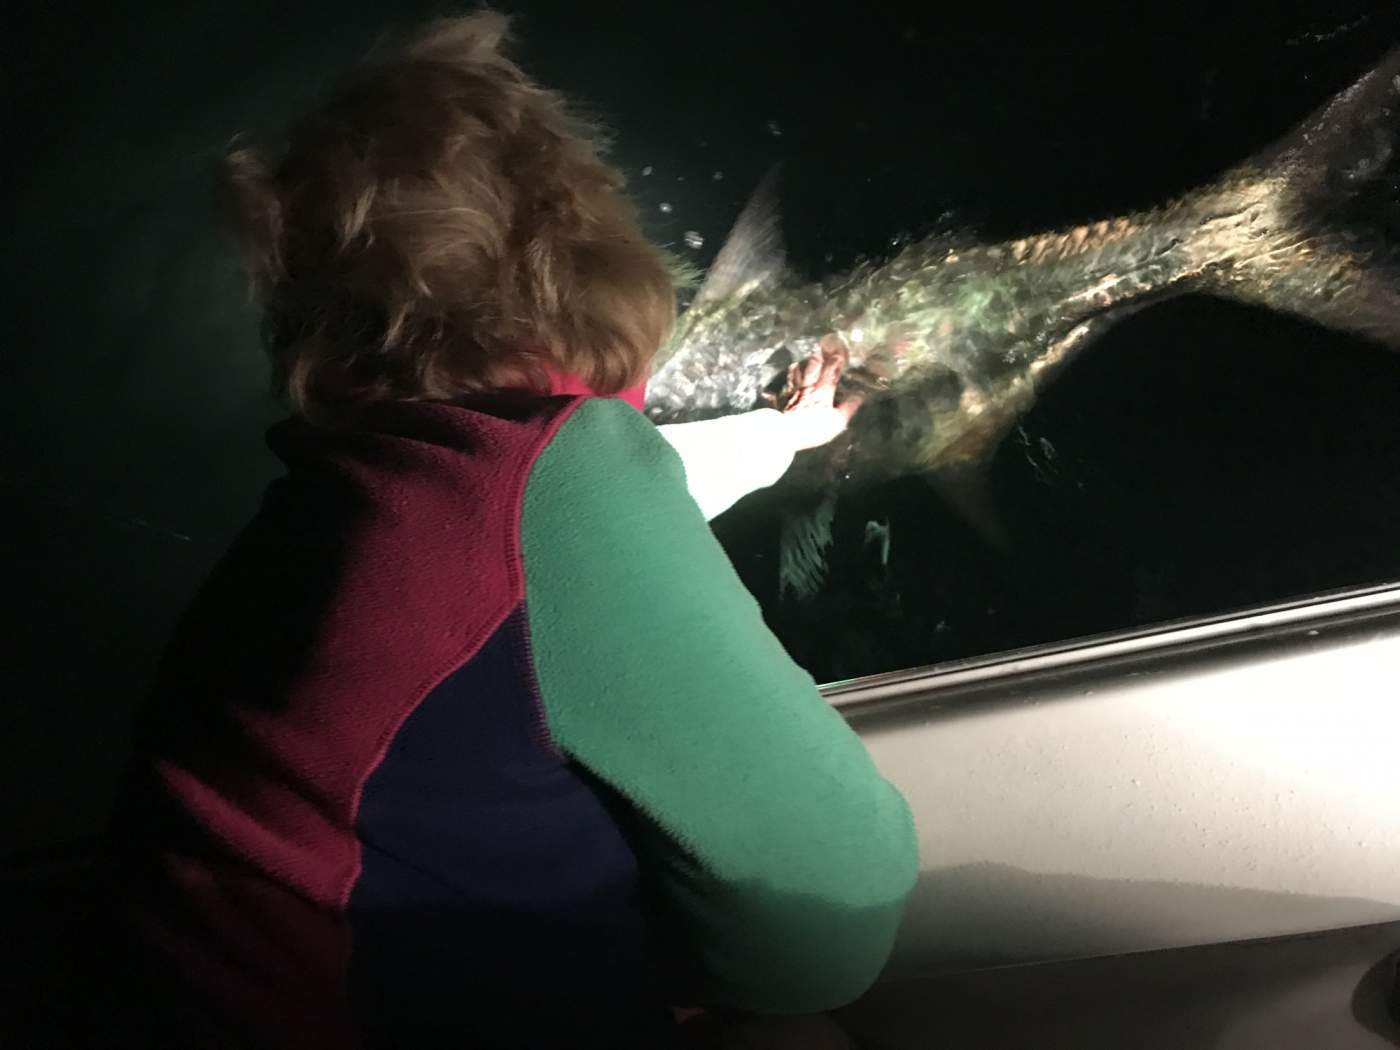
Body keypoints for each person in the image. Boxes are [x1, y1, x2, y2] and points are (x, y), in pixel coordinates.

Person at [105, 12, 917, 1049]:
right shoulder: (557, 485)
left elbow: (518, 559)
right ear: (585, 236)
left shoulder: (342, 502)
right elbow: (831, 921)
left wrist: (773, 435)